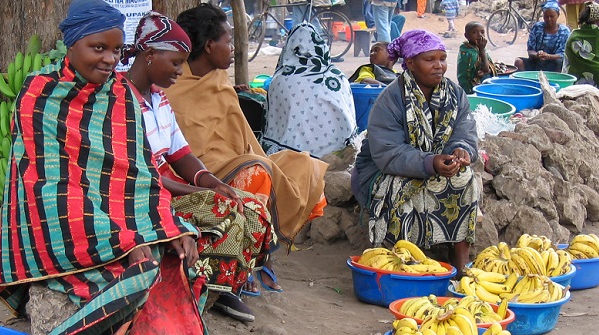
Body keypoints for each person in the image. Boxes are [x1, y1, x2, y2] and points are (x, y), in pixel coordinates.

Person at [0, 0, 258, 335]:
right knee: (139, 274)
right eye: (98, 48)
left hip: (119, 229)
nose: (110, 60)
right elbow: (54, 188)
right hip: (60, 237)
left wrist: (166, 230)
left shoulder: (121, 97)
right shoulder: (40, 95)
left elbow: (137, 177)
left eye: (116, 51)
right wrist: (127, 240)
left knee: (173, 266)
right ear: (71, 44)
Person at [120, 11, 275, 323]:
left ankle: (223, 286)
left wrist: (209, 180)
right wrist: (198, 191)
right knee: (226, 209)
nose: (180, 70)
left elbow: (181, 155)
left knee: (253, 208)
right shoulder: (121, 101)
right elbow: (144, 174)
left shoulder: (159, 99)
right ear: (149, 54)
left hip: (166, 186)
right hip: (142, 198)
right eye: (175, 62)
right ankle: (207, 288)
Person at [164, 3, 328, 292]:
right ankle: (245, 266)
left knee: (304, 165)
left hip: (233, 160)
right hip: (192, 174)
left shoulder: (218, 78)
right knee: (257, 171)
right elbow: (181, 152)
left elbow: (239, 135)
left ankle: (262, 254)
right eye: (228, 41)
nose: (234, 48)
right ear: (209, 45)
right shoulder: (173, 87)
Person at [351, 30, 480, 275]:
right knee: (403, 187)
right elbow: (388, 154)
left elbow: (465, 131)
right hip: (381, 170)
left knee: (465, 179)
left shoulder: (455, 94)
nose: (439, 66)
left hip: (434, 163)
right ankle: (403, 259)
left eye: (442, 58)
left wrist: (462, 151)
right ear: (410, 64)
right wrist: (430, 162)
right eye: (430, 60)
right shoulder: (390, 99)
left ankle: (460, 258)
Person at [261, 23, 357, 158]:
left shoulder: (280, 80)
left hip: (291, 156)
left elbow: (272, 121)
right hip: (339, 152)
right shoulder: (337, 76)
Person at [564, 1, 599, 99]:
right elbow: (592, 63)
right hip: (578, 77)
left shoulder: (576, 35)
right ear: (596, 21)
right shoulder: (588, 36)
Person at [514, 1, 571, 73]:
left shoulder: (564, 31)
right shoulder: (537, 27)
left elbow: (562, 54)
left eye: (552, 16)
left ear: (558, 15)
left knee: (558, 62)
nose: (549, 19)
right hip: (537, 62)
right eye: (546, 16)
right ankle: (526, 81)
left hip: (554, 65)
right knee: (518, 62)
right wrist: (537, 54)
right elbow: (530, 51)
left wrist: (549, 56)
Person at [457, 21, 497, 94]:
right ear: (466, 36)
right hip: (470, 86)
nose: (479, 35)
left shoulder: (480, 47)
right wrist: (482, 50)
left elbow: (488, 68)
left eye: (482, 32)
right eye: (474, 32)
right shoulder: (466, 51)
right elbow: (486, 69)